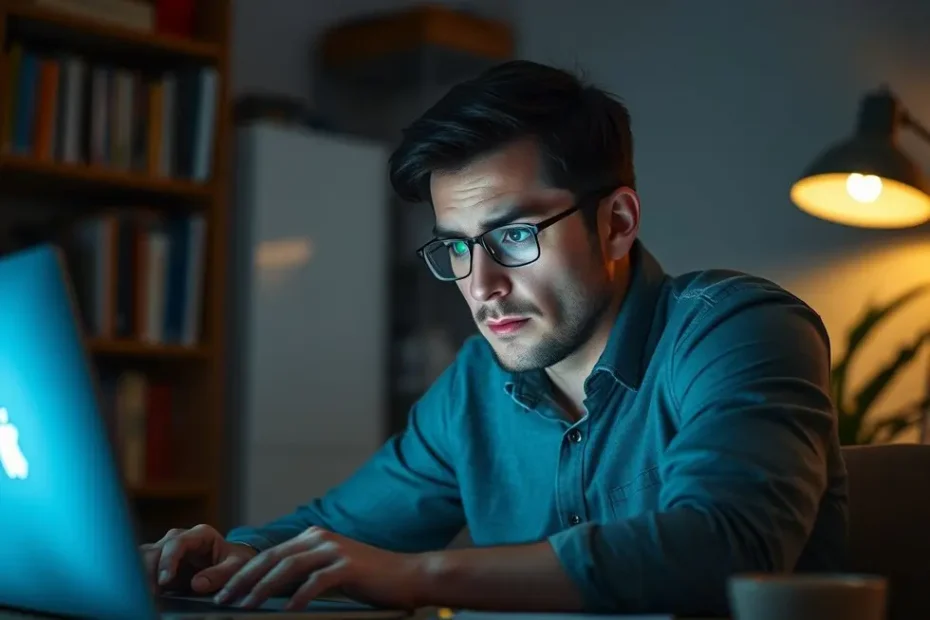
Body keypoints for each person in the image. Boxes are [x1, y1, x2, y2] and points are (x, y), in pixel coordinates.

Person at [141, 60, 848, 616]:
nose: (480, 286)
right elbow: (338, 534)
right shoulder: (473, 388)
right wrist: (220, 555)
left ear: (617, 223)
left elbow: (725, 544)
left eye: (513, 236)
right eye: (456, 248)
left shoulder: (735, 328)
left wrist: (421, 576)